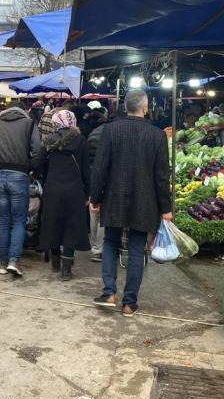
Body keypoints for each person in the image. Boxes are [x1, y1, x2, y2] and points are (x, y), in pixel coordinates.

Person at [90, 89, 172, 317]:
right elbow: (161, 176)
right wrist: (166, 208)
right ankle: (129, 303)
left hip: (114, 196)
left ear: (124, 107)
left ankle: (108, 293)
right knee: (136, 249)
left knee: (110, 242)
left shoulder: (111, 130)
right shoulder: (157, 136)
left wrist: (95, 197)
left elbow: (100, 168)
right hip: (145, 201)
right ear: (145, 108)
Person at [0, 103, 41, 277]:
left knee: (2, 221)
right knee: (18, 220)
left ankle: (2, 263)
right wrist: (29, 166)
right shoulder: (29, 124)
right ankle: (14, 261)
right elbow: (37, 150)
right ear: (23, 111)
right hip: (19, 175)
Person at [36, 110, 91, 280]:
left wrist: (46, 177)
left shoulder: (48, 140)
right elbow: (85, 169)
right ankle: (66, 269)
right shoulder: (80, 140)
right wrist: (88, 192)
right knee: (71, 227)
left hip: (52, 189)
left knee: (53, 223)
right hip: (74, 190)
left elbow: (38, 164)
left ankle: (55, 262)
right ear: (72, 121)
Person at [87, 109, 116, 262]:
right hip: (107, 177)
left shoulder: (93, 133)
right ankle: (99, 249)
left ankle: (94, 246)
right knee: (103, 214)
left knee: (93, 211)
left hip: (92, 176)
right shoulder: (112, 135)